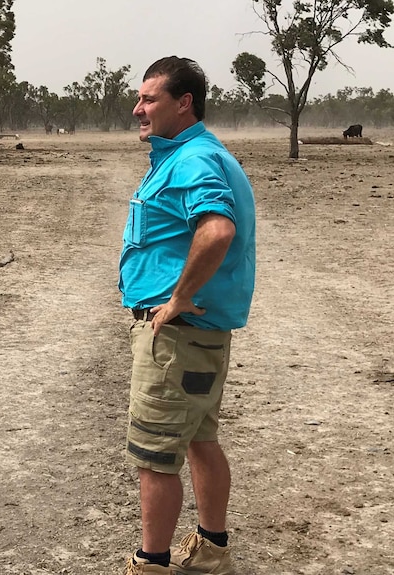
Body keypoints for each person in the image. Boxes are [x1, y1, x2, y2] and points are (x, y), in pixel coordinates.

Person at [118, 56, 256, 575]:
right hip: (201, 337)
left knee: (154, 458)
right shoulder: (190, 154)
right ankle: (212, 549)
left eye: (149, 99)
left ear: (184, 103)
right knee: (201, 439)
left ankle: (150, 564)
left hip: (179, 335)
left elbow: (217, 230)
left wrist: (175, 300)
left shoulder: (194, 159)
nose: (138, 109)